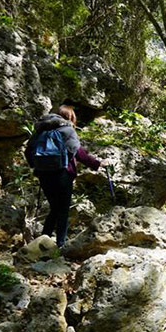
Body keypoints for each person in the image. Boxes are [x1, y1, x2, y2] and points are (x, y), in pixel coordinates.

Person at [25, 105, 108, 248]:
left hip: (44, 175)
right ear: (70, 117)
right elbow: (79, 153)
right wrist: (98, 164)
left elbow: (28, 152)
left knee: (55, 207)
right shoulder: (67, 130)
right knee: (62, 209)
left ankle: (43, 241)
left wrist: (39, 166)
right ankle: (60, 245)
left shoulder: (41, 130)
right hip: (63, 174)